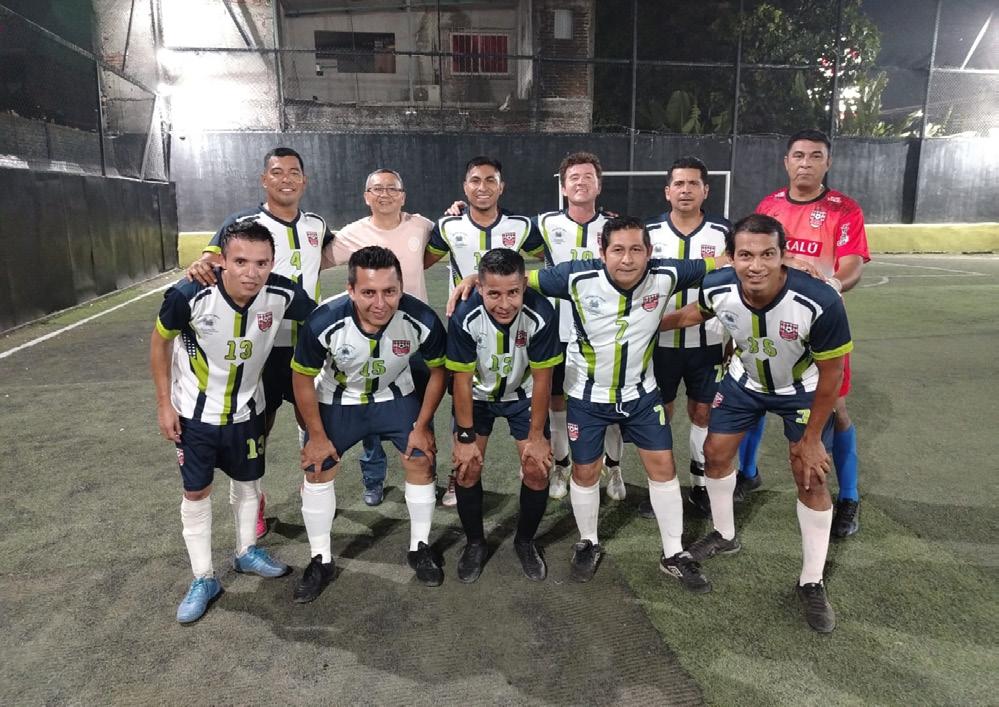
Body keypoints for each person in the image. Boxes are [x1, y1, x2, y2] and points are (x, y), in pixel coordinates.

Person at [449, 216, 721, 590]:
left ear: (649, 251)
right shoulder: (575, 277)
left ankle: (673, 553)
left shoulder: (668, 273)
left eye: (636, 249)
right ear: (602, 252)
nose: (627, 259)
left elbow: (724, 263)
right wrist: (472, 280)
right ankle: (585, 542)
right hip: (586, 396)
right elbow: (520, 281)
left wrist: (783, 261)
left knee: (662, 467)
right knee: (584, 471)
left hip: (641, 394)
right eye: (618, 249)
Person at [664, 213, 852, 632]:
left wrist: (812, 439)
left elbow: (832, 375)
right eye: (746, 255)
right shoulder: (718, 285)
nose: (756, 265)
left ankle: (811, 580)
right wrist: (644, 326)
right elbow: (695, 313)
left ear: (783, 255)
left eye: (768, 254)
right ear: (731, 257)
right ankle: (724, 534)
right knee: (714, 453)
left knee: (810, 476)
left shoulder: (819, 301)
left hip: (801, 388)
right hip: (744, 383)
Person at [150, 219, 316, 623]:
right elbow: (160, 342)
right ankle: (203, 578)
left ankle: (246, 552)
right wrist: (163, 404)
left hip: (247, 412)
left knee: (249, 483)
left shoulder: (283, 293)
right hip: (195, 416)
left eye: (261, 263)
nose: (251, 272)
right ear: (222, 260)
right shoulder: (189, 294)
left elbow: (324, 317)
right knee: (196, 492)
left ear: (272, 263)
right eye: (240, 261)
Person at [186, 147, 333, 539]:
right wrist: (201, 264)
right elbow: (210, 261)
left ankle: (312, 490)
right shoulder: (243, 223)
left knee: (312, 421)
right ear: (264, 179)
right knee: (255, 428)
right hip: (258, 347)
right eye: (277, 171)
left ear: (304, 180)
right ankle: (255, 500)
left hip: (306, 345)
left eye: (294, 172)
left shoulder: (317, 224)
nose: (286, 179)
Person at [291, 246, 448, 601]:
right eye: (368, 292)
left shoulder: (421, 318)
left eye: (390, 291)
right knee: (318, 467)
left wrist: (422, 425)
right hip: (339, 399)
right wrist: (316, 435)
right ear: (350, 290)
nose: (380, 303)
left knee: (421, 458)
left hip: (396, 396)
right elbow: (301, 378)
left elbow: (439, 371)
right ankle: (320, 559)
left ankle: (420, 547)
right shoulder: (324, 320)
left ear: (401, 287)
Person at [740, 129, 870, 539]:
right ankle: (747, 473)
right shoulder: (770, 206)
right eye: (798, 155)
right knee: (756, 394)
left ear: (827, 163)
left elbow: (852, 265)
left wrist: (829, 286)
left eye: (815, 156)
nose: (805, 163)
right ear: (786, 161)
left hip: (822, 328)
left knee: (837, 408)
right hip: (772, 323)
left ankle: (849, 496)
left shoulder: (843, 209)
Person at [425, 155, 545, 506]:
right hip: (465, 328)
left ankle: (532, 458)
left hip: (511, 323)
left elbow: (552, 256)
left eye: (490, 180)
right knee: (463, 395)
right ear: (465, 187)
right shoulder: (448, 227)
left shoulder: (520, 226)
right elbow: (420, 262)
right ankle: (458, 471)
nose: (483, 187)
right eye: (475, 180)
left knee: (519, 382)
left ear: (501, 187)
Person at [446, 248, 562, 582]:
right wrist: (465, 438)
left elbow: (543, 379)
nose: (505, 303)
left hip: (522, 395)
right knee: (466, 469)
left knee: (537, 469)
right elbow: (461, 381)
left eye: (513, 292)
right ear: (480, 287)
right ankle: (475, 543)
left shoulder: (541, 313)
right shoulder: (464, 315)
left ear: (524, 285)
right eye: (494, 294)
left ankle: (525, 541)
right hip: (476, 398)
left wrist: (537, 437)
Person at [322, 168, 435, 507]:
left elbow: (442, 244)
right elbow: (316, 260)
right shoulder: (353, 233)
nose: (385, 194)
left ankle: (426, 469)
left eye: (392, 188)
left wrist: (456, 211)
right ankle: (373, 478)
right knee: (369, 413)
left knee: (422, 414)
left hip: (415, 339)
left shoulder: (422, 226)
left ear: (403, 195)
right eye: (377, 189)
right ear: (366, 196)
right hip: (368, 341)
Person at [637, 156, 732, 519]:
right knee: (659, 413)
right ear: (667, 191)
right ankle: (662, 486)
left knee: (703, 412)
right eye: (679, 183)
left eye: (693, 183)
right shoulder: (648, 232)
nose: (686, 190)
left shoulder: (724, 233)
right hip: (659, 345)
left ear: (706, 190)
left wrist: (732, 338)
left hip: (708, 342)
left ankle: (700, 484)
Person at [535, 152, 626, 502]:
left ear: (599, 185)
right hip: (556, 332)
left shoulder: (616, 227)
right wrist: (458, 210)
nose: (581, 182)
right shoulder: (544, 224)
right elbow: (503, 227)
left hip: (604, 333)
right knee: (556, 402)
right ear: (563, 186)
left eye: (588, 176)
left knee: (610, 401)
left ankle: (614, 467)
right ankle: (561, 465)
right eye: (573, 177)